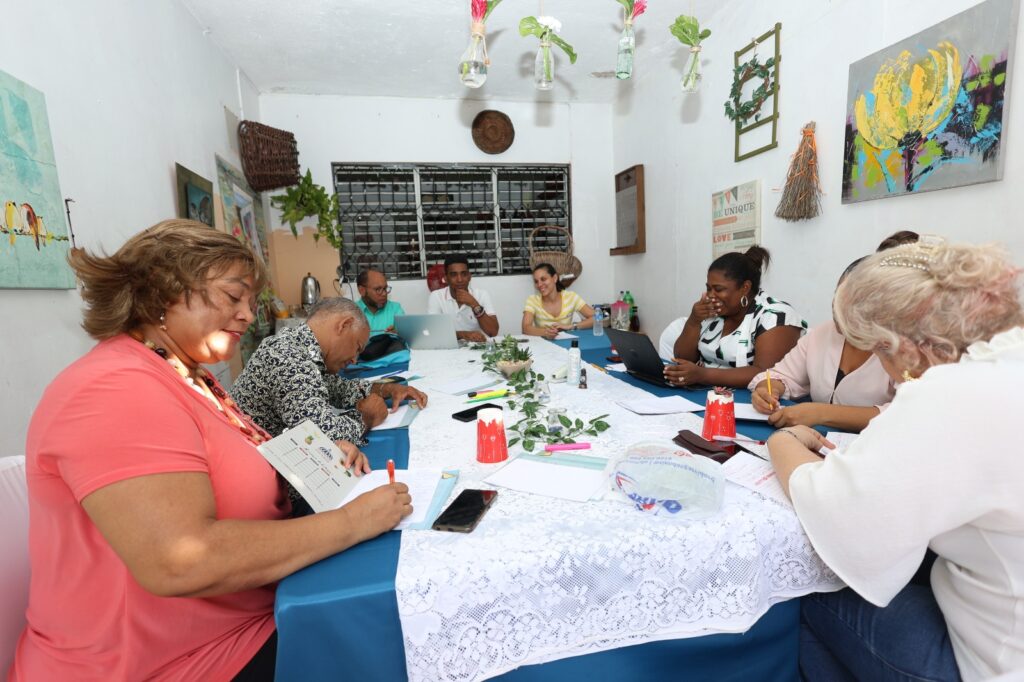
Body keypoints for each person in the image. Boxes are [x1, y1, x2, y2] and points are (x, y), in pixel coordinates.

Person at [11, 220, 412, 681]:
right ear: (163, 291)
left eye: (250, 302)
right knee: (396, 634)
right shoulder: (113, 389)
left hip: (245, 619)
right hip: (175, 662)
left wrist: (323, 453)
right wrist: (350, 522)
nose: (247, 314)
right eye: (232, 296)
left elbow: (245, 465)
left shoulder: (189, 376)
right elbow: (183, 560)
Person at [765, 237, 1024, 681]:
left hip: (994, 660)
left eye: (877, 351)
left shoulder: (950, 392)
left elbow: (841, 520)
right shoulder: (1006, 359)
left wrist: (785, 441)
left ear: (901, 346)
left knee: (806, 587)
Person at [232, 297, 428, 450]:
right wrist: (366, 418)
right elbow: (319, 437)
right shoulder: (287, 355)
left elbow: (337, 388)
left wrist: (386, 388)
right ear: (343, 325)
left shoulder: (302, 348)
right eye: (357, 348)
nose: (354, 360)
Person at [748, 258, 895, 431]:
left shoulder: (903, 349)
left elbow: (907, 414)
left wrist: (821, 413)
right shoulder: (822, 334)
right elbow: (782, 375)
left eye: (853, 302)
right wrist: (768, 390)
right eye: (838, 295)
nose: (837, 307)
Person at [666, 246, 806, 389]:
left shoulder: (776, 315)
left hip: (753, 401)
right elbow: (683, 359)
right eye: (709, 288)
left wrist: (703, 375)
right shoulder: (713, 312)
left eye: (718, 289)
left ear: (745, 287)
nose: (710, 296)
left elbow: (766, 374)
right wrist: (693, 321)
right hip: (706, 393)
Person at [426, 254, 499, 342]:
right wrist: (463, 335)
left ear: (469, 276)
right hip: (448, 350)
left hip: (476, 350)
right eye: (454, 275)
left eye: (464, 274)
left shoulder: (481, 295)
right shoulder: (436, 296)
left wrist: (474, 304)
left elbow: (493, 332)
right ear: (446, 278)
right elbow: (434, 332)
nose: (459, 279)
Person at [521, 263, 595, 339]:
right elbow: (525, 328)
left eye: (543, 279)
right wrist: (545, 332)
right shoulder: (533, 300)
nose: (539, 284)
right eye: (536, 281)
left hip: (567, 345)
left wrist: (571, 326)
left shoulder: (571, 297)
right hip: (543, 346)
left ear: (555, 278)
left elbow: (597, 318)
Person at [355, 268, 405, 336]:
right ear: (362, 290)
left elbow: (407, 338)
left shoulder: (395, 309)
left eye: (385, 288)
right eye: (378, 289)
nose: (384, 294)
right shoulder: (351, 313)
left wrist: (398, 335)